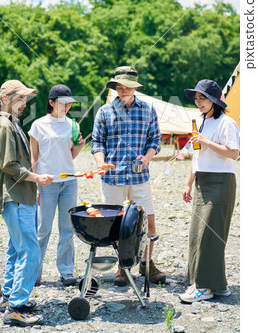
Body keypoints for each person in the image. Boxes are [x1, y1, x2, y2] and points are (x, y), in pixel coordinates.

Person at [0, 80, 55, 327]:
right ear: (4, 99)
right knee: (30, 249)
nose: (24, 104)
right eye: (19, 99)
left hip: (21, 195)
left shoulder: (12, 124)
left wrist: (32, 185)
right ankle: (16, 308)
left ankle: (8, 296)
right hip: (13, 197)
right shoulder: (4, 126)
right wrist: (37, 178)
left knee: (16, 248)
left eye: (25, 99)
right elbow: (9, 165)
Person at [91, 66, 166, 286]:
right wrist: (101, 163)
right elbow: (97, 143)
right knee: (116, 225)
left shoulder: (148, 110)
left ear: (135, 88)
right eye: (119, 87)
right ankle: (122, 267)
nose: (123, 91)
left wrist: (147, 158)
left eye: (127, 87)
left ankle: (147, 263)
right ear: (115, 87)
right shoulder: (104, 111)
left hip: (139, 176)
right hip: (112, 178)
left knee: (148, 221)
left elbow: (155, 141)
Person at [180, 79, 239, 303]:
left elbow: (233, 153)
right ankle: (216, 284)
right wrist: (188, 183)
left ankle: (205, 287)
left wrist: (206, 141)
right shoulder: (198, 120)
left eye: (202, 98)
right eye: (196, 98)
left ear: (214, 99)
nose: (198, 102)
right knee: (196, 234)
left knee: (210, 236)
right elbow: (197, 154)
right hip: (201, 180)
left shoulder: (227, 123)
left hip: (221, 181)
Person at [29, 84, 85, 286]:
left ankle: (66, 271)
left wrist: (79, 147)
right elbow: (33, 157)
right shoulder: (38, 125)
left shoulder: (73, 125)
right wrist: (35, 183)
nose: (67, 106)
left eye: (69, 103)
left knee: (67, 228)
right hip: (47, 183)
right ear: (51, 102)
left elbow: (71, 156)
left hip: (69, 181)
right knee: (43, 229)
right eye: (62, 103)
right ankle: (34, 273)